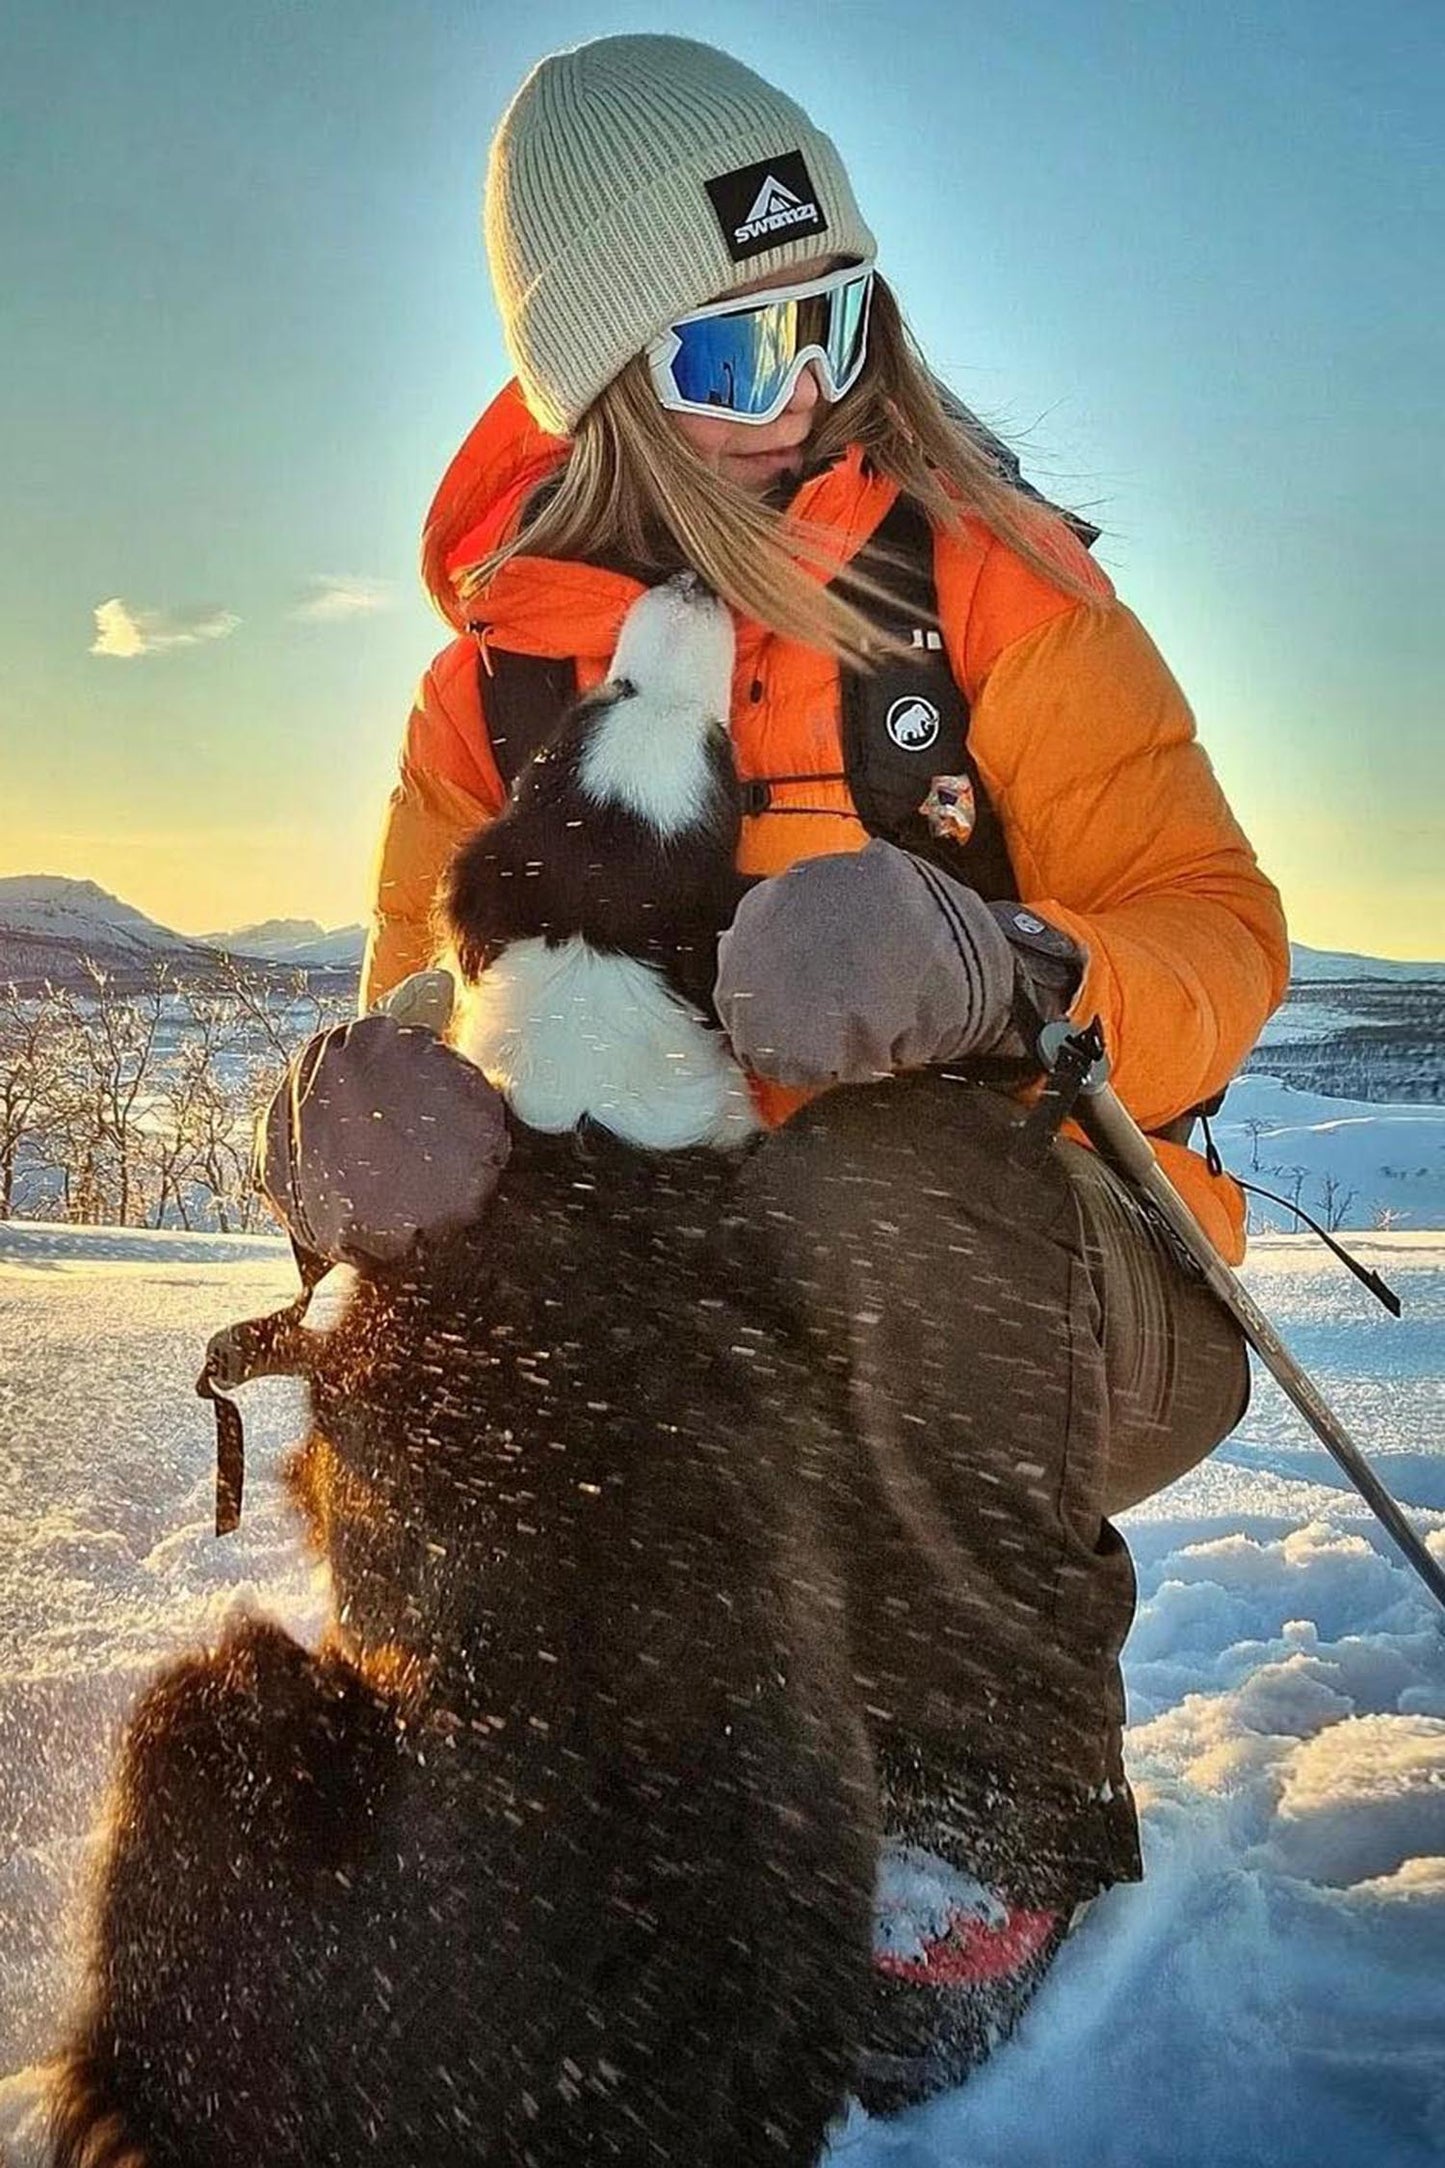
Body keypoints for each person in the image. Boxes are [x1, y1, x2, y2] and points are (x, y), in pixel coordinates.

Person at [258, 32, 1289, 2113]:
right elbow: (422, 998)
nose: (806, 389)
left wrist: (1000, 958)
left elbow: (1220, 931)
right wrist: (366, 1124)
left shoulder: (992, 583)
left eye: (833, 316)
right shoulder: (491, 692)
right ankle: (506, 1771)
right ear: (611, 394)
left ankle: (987, 1816)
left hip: (1053, 1291)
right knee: (422, 1320)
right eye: (733, 359)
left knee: (868, 1191)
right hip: (710, 1320)